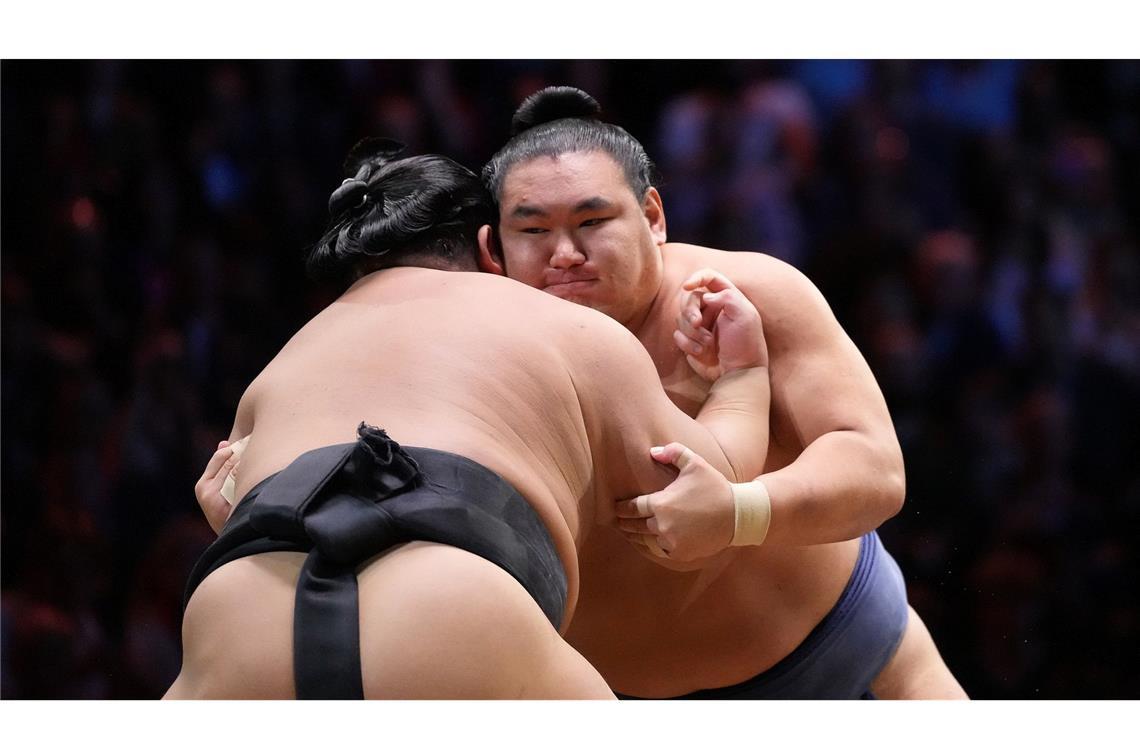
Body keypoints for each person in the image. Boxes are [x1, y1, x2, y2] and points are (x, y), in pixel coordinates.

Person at [167, 138, 773, 699]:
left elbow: (227, 495)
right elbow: (706, 489)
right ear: (491, 249)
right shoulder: (564, 324)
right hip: (451, 604)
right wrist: (743, 376)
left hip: (236, 613)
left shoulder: (281, 361)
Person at [475, 86, 966, 698]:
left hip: (848, 661)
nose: (566, 255)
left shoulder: (745, 295)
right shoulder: (480, 352)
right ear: (493, 250)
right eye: (534, 230)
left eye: (593, 222)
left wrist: (741, 513)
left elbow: (875, 472)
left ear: (652, 217)